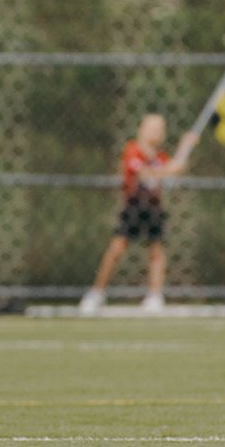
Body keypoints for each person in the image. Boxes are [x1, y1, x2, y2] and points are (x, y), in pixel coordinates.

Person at [78, 114, 197, 316]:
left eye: (160, 129)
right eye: (153, 128)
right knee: (116, 249)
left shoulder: (160, 157)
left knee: (156, 252)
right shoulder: (133, 150)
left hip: (154, 207)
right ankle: (97, 293)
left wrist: (185, 147)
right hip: (133, 207)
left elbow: (177, 168)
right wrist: (169, 169)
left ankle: (154, 296)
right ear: (142, 130)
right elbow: (145, 173)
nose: (157, 133)